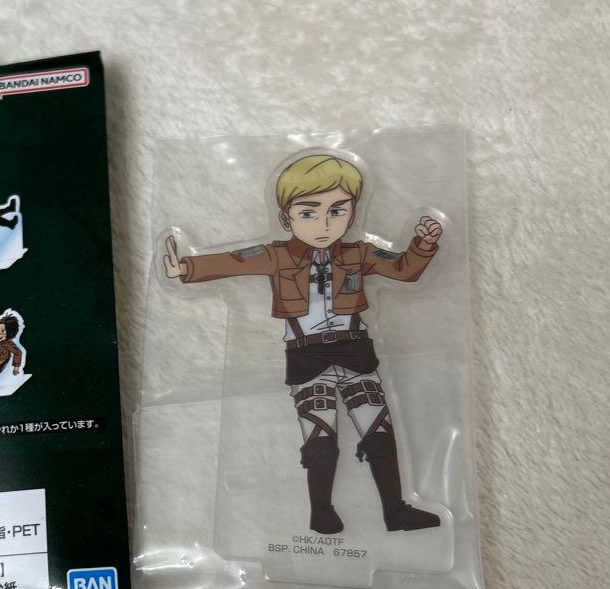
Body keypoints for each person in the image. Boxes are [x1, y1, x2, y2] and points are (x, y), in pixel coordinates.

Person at [163, 150, 442, 535]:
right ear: (286, 218)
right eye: (309, 212)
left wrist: (422, 245)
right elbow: (235, 261)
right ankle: (321, 512)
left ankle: (395, 510)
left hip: (356, 352)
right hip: (307, 357)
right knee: (319, 437)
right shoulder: (276, 255)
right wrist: (185, 267)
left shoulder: (358, 253)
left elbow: (402, 269)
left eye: (337, 211)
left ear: (352, 214)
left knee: (379, 430)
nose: (324, 224)